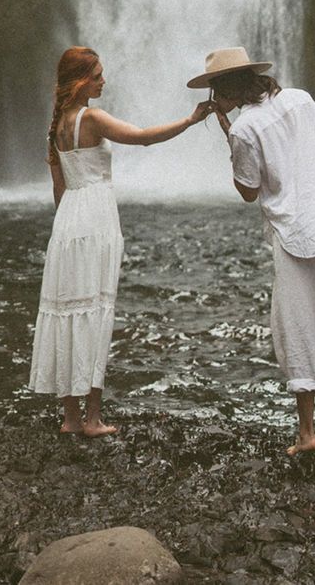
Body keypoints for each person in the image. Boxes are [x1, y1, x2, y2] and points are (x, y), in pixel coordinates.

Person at [187, 47, 315, 456]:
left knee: (298, 328)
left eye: (216, 90)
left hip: (298, 234)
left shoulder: (243, 130)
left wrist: (228, 133)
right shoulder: (300, 98)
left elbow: (248, 191)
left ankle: (307, 434)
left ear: (225, 90)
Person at [30, 46, 213, 436]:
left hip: (67, 224)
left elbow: (58, 191)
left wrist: (66, 229)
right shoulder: (92, 118)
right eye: (97, 74)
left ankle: (70, 418)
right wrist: (191, 119)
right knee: (95, 310)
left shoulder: (58, 125)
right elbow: (144, 138)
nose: (103, 80)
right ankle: (93, 419)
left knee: (68, 311)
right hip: (96, 218)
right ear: (80, 80)